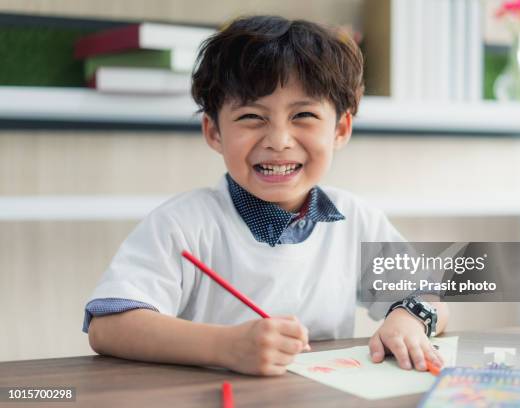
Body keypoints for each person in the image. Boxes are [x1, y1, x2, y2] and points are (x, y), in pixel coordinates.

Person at [84, 15, 449, 376]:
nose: (278, 140)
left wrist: (408, 320)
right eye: (251, 117)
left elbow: (431, 296)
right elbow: (109, 327)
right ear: (213, 131)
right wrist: (226, 347)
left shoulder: (355, 218)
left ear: (340, 129)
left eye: (303, 114)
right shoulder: (183, 224)